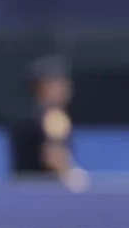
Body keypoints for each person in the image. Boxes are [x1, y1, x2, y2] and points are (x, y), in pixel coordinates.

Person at [9, 54, 88, 191]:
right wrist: (72, 175)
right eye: (59, 83)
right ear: (43, 86)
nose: (66, 89)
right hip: (44, 193)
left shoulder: (26, 116)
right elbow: (53, 154)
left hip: (23, 192)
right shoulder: (53, 118)